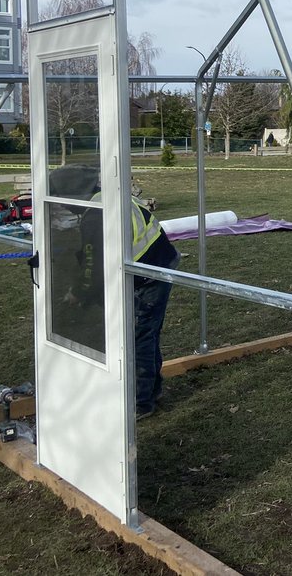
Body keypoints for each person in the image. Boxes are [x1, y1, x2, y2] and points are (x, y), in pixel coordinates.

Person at [54, 164, 180, 420]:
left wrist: (78, 293)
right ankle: (151, 390)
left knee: (138, 337)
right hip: (158, 264)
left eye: (61, 199)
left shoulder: (95, 216)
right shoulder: (109, 198)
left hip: (150, 276)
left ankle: (139, 403)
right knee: (146, 334)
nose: (61, 206)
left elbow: (93, 268)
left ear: (72, 195)